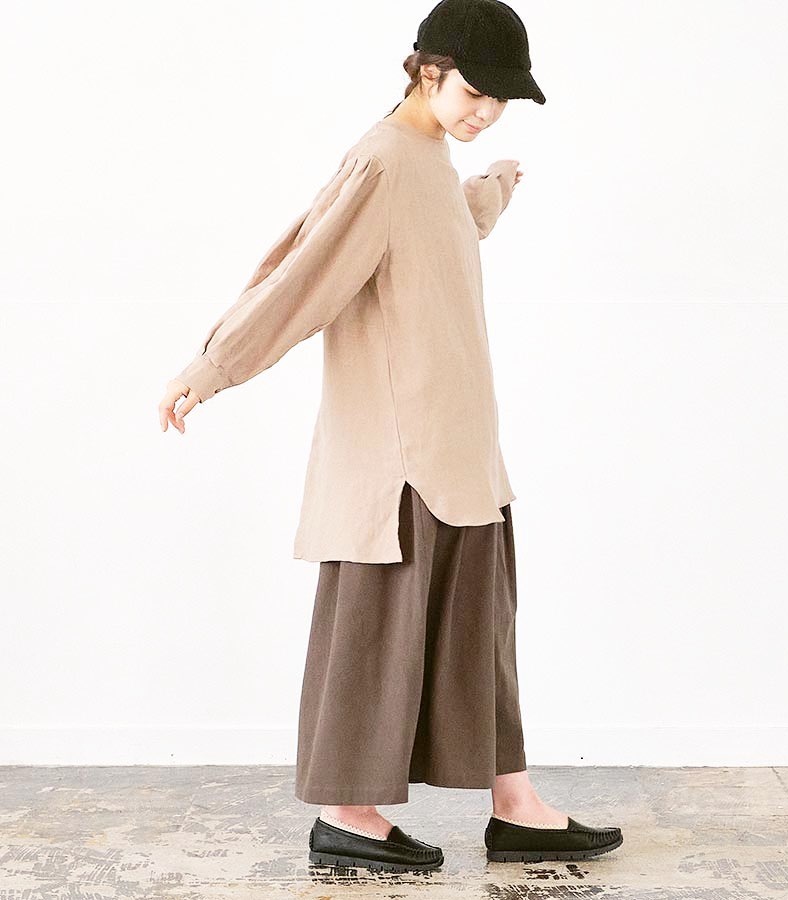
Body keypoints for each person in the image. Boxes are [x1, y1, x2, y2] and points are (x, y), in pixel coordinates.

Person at [159, 0, 623, 873]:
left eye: (502, 101)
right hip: (401, 460)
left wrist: (490, 191)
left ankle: (515, 803)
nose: (488, 112)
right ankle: (347, 813)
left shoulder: (430, 158)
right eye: (478, 92)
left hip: (460, 446)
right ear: (428, 70)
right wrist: (213, 365)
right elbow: (303, 275)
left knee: (481, 629)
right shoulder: (383, 159)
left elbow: (436, 230)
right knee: (379, 631)